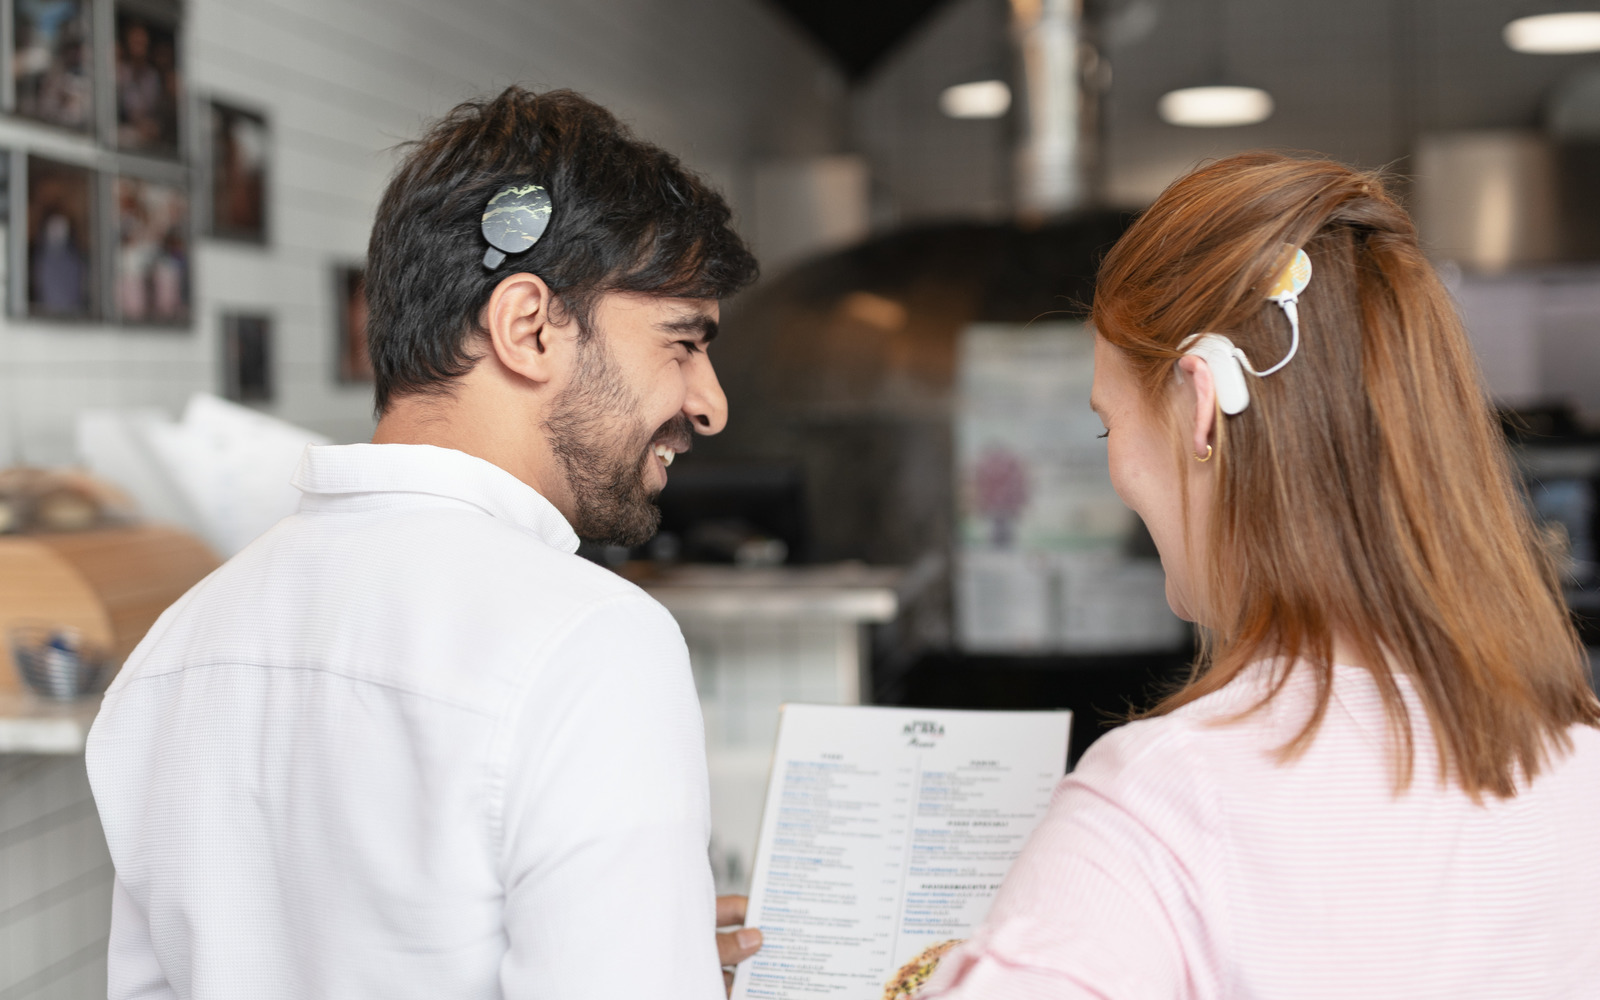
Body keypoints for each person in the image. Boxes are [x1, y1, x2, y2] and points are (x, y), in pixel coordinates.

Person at [87, 87, 764, 999]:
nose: (709, 403)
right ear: (529, 327)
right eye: (683, 342)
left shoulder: (180, 642)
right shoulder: (594, 640)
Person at [923, 153, 1600, 998]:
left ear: (1203, 403)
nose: (1117, 471)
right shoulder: (1581, 764)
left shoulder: (1162, 804)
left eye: (1108, 429)